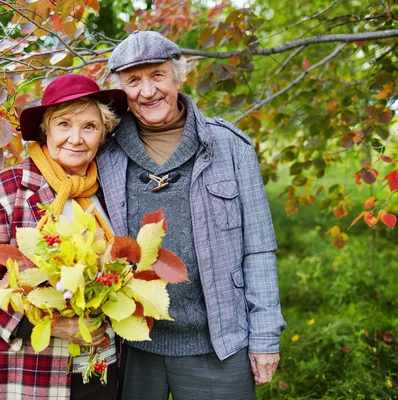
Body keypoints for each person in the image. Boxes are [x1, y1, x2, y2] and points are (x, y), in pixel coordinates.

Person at [96, 31, 286, 399]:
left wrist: (264, 336)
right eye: (133, 80)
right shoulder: (106, 154)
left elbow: (259, 249)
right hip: (133, 346)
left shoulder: (230, 147)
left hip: (219, 343)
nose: (147, 91)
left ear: (179, 76)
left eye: (157, 76)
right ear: (121, 88)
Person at [0, 74, 127, 400]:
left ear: (104, 133)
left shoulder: (113, 192)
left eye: (89, 126)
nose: (76, 138)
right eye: (64, 125)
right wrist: (43, 325)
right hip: (29, 373)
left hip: (105, 369)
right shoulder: (8, 189)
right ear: (45, 129)